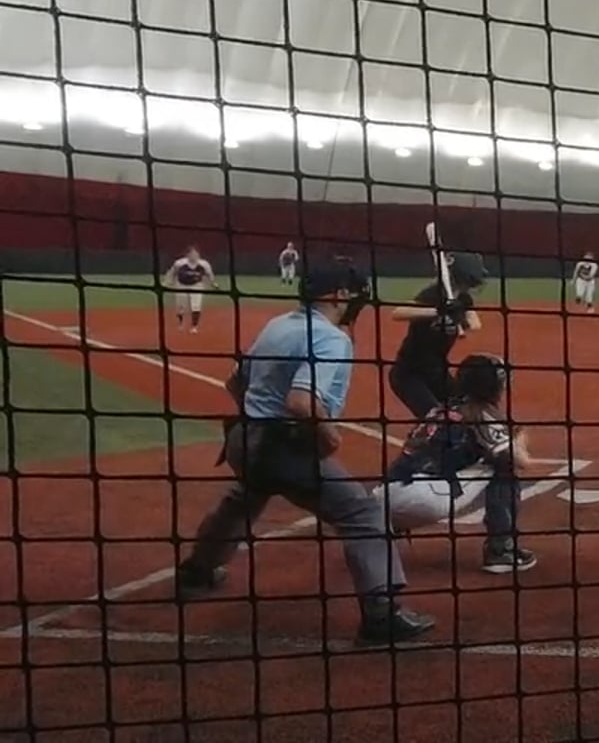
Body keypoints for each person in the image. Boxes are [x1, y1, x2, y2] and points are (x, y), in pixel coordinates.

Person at [172, 259, 433, 644]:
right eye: (353, 293)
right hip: (281, 447)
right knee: (363, 514)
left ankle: (196, 572)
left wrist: (260, 417)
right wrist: (328, 436)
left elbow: (234, 382)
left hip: (242, 439)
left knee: (243, 500)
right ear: (339, 295)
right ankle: (381, 617)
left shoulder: (278, 324)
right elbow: (301, 402)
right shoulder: (330, 338)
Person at [373, 353, 539, 574]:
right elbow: (522, 461)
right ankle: (501, 551)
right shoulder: (482, 414)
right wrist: (518, 434)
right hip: (426, 499)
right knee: (502, 464)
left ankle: (381, 532)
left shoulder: (439, 409)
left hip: (382, 498)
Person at [388, 252, 489, 420]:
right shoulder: (434, 294)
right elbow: (397, 313)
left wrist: (460, 316)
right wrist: (437, 311)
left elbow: (475, 324)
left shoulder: (463, 299)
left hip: (437, 372)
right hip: (409, 374)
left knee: (466, 410)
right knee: (436, 419)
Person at [163, 246, 217, 333]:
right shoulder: (180, 263)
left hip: (197, 285)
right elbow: (172, 272)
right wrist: (168, 282)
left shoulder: (204, 264)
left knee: (196, 305)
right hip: (181, 285)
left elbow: (209, 274)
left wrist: (213, 283)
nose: (194, 256)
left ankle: (194, 326)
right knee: (180, 306)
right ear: (187, 255)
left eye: (196, 254)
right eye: (192, 254)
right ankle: (181, 323)